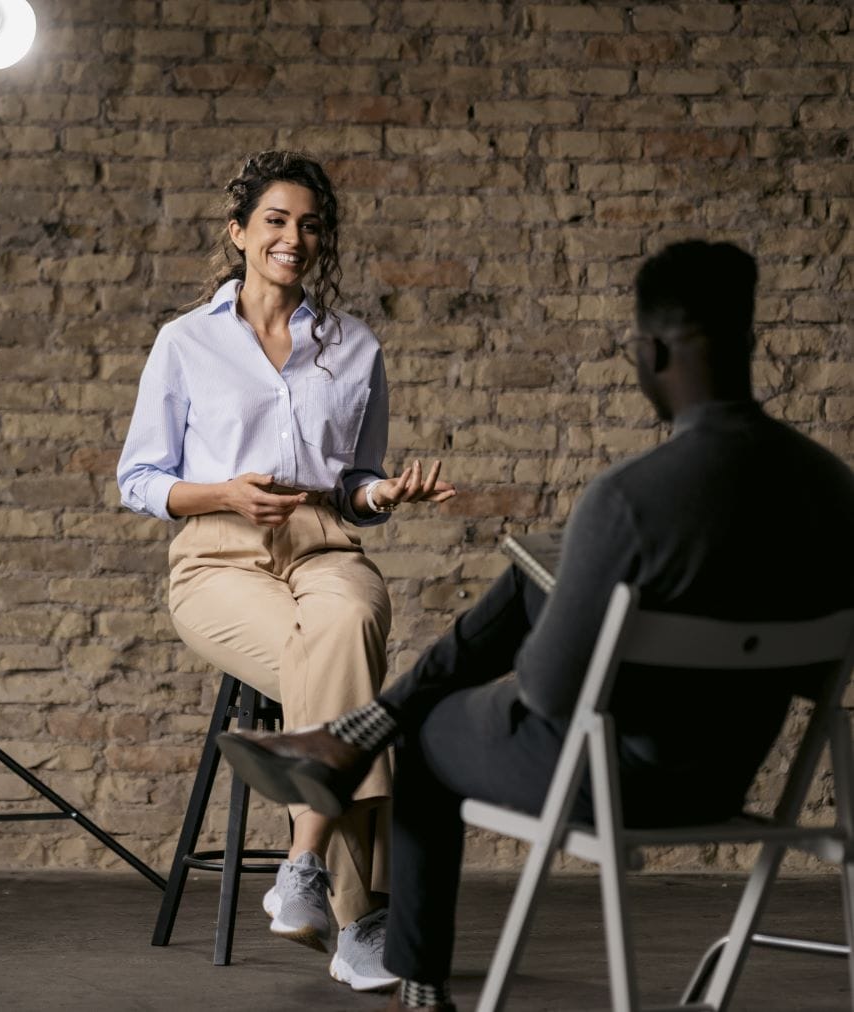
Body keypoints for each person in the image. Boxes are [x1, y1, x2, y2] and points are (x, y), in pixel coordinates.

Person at [216, 239, 854, 1011]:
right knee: (535, 576)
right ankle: (356, 732)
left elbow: (550, 692)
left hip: (612, 783)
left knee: (431, 730)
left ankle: (415, 971)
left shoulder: (629, 500)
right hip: (730, 775)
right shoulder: (832, 488)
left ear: (649, 353)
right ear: (751, 344)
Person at [116, 150, 455, 994]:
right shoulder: (186, 342)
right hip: (217, 555)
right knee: (349, 680)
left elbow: (351, 484)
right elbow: (139, 481)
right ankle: (361, 921)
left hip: (324, 546)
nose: (292, 238)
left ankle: (301, 862)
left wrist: (383, 492)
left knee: (345, 622)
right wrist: (224, 492)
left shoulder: (355, 346)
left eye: (309, 224)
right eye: (275, 220)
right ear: (239, 233)